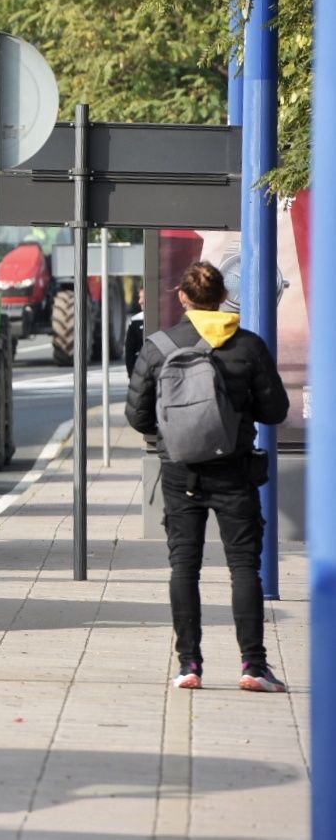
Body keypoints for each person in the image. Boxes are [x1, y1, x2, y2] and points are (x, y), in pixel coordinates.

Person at [125, 261, 289, 693]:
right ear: (223, 297)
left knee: (184, 565)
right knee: (243, 568)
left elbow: (137, 415)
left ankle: (189, 665)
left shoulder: (159, 346)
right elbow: (276, 412)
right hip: (235, 470)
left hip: (180, 472)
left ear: (183, 297)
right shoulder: (248, 346)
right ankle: (253, 665)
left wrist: (175, 432)